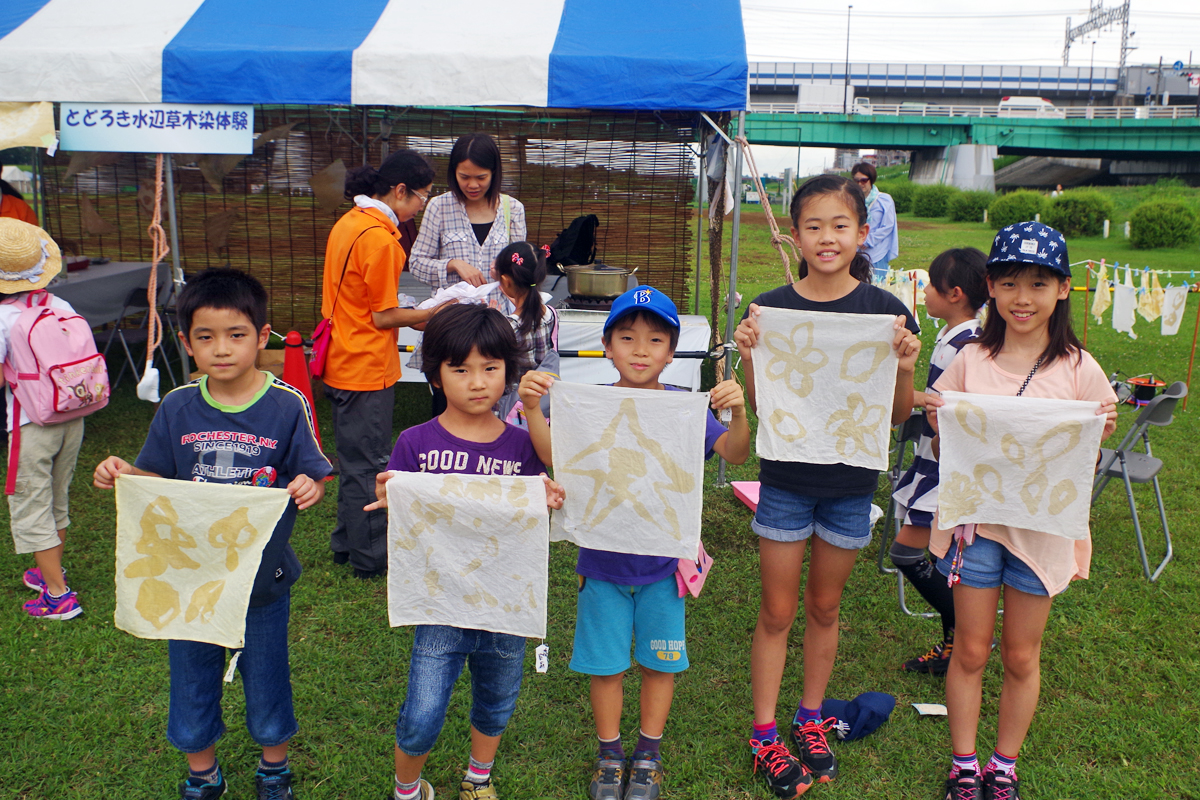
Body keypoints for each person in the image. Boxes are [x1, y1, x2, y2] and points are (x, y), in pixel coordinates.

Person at [93, 268, 332, 800]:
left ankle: (274, 768)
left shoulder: (287, 403)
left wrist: (309, 484)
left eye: (236, 334)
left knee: (267, 676)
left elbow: (311, 469)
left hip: (262, 581)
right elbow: (155, 479)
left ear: (262, 335)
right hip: (190, 580)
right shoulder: (178, 406)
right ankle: (203, 773)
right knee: (193, 679)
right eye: (206, 337)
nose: (221, 349)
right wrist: (125, 475)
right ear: (186, 342)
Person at [518, 285, 751, 800]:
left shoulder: (685, 409)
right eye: (627, 337)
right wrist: (533, 408)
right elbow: (554, 452)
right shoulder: (590, 405)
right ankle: (609, 755)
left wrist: (738, 413)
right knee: (605, 666)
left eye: (655, 339)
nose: (640, 349)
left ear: (672, 351)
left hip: (664, 569)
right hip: (600, 564)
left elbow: (734, 455)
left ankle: (648, 752)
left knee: (659, 663)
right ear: (606, 345)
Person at [733, 175, 921, 797]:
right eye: (813, 226)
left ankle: (810, 718)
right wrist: (752, 356)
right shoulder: (769, 310)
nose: (827, 238)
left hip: (850, 483)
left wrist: (905, 366)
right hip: (785, 479)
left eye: (840, 225)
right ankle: (765, 734)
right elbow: (764, 409)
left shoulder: (887, 313)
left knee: (825, 607)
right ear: (794, 235)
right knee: (777, 609)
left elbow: (895, 416)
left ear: (863, 234)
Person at [925, 223, 1117, 800]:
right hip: (978, 529)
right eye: (1009, 283)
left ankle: (1002, 765)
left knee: (1020, 654)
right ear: (990, 287)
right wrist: (940, 426)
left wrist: (1099, 431)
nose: (1023, 298)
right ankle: (965, 763)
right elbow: (947, 452)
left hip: (1041, 535)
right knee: (972, 649)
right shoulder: (970, 361)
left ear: (1062, 289)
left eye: (1039, 283)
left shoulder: (1082, 370)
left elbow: (1085, 455)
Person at [363, 302, 564, 800]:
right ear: (435, 375)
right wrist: (395, 496)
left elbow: (545, 504)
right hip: (439, 602)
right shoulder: (414, 443)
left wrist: (549, 498)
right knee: (423, 710)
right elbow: (406, 518)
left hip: (503, 601)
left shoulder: (523, 448)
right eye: (461, 369)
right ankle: (407, 789)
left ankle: (478, 779)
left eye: (491, 369)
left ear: (509, 373)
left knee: (497, 699)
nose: (478, 382)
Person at [320, 148, 445, 579]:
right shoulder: (380, 238)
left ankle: (345, 543)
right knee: (370, 465)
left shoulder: (350, 222)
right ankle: (370, 557)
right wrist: (431, 312)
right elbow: (383, 316)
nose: (421, 207)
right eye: (421, 198)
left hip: (342, 357)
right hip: (366, 366)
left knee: (353, 459)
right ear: (399, 191)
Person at [889, 248, 988, 676]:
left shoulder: (966, 347)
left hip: (947, 469)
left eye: (930, 285)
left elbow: (944, 405)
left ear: (955, 294)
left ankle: (966, 636)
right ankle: (957, 641)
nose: (924, 292)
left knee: (908, 555)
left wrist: (897, 394)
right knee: (926, 557)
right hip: (934, 461)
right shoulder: (954, 337)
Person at [0, 219, 83, 619]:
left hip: (31, 423)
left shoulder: (4, 317)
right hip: (72, 415)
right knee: (56, 496)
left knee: (32, 504)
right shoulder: (59, 305)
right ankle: (47, 570)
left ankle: (57, 594)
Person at [409, 133, 526, 297]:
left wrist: (507, 270)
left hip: (498, 316)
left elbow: (521, 264)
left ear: (493, 173)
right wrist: (452, 264)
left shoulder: (513, 209)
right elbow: (416, 265)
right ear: (454, 172)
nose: (472, 185)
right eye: (464, 177)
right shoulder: (439, 207)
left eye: (481, 177)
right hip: (454, 316)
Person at [490, 241, 557, 425]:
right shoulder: (551, 315)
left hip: (509, 410)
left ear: (505, 281)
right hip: (543, 404)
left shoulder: (506, 326)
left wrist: (490, 317)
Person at [851, 162, 898, 284]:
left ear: (871, 180)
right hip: (854, 251)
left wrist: (868, 241)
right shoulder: (850, 200)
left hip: (877, 252)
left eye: (864, 180)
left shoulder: (884, 199)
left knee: (877, 286)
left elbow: (888, 226)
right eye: (856, 181)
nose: (860, 184)